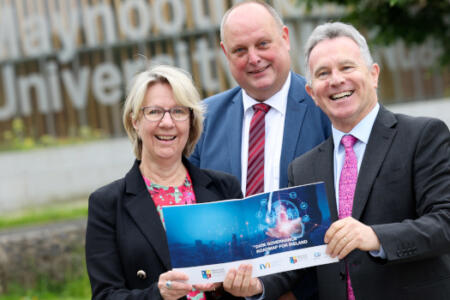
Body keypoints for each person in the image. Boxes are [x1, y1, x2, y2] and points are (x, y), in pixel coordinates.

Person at [222, 22, 450, 300]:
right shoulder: (303, 168)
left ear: (373, 74)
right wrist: (258, 286)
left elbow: (444, 222)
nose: (336, 80)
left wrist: (376, 237)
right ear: (312, 93)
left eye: (347, 67)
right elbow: (299, 253)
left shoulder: (423, 136)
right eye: (323, 73)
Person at [85, 65, 243, 300]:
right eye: (154, 112)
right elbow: (105, 296)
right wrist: (158, 294)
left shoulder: (225, 188)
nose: (167, 122)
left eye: (178, 111)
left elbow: (245, 272)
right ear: (135, 121)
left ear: (191, 122)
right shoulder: (107, 203)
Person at [189, 0, 330, 195]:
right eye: (240, 50)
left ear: (285, 38)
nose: (254, 58)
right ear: (225, 53)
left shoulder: (325, 105)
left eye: (262, 44)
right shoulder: (203, 119)